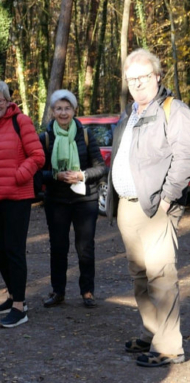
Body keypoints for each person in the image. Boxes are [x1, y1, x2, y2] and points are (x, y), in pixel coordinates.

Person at [106, 48, 190, 367]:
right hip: (127, 207)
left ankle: (169, 347)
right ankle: (152, 332)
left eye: (143, 77)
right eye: (131, 79)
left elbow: (185, 158)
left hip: (157, 207)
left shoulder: (175, 110)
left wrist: (167, 198)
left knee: (161, 274)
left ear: (157, 76)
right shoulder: (129, 114)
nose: (137, 84)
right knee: (139, 274)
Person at [0, 79, 45, 328]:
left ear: (7, 100)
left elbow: (37, 156)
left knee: (14, 250)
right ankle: (13, 294)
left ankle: (19, 306)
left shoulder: (20, 121)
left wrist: (18, 177)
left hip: (17, 197)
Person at [40, 90, 106, 309]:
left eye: (67, 108)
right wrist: (55, 176)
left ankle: (87, 292)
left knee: (85, 248)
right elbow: (37, 173)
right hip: (56, 201)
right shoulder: (46, 137)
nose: (63, 112)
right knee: (58, 248)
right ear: (52, 111)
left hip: (85, 199)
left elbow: (100, 168)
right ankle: (58, 291)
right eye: (58, 108)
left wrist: (81, 175)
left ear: (74, 110)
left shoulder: (86, 135)